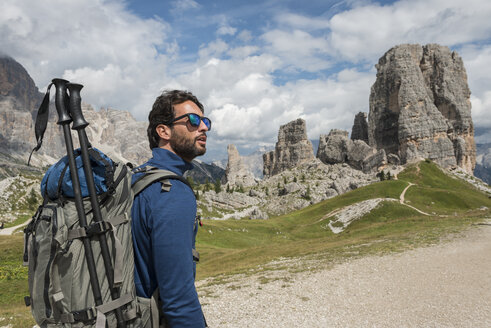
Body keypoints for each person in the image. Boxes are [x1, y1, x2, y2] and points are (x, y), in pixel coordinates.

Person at [131, 90, 211, 327]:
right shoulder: (171, 192)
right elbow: (178, 300)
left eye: (205, 121)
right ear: (163, 131)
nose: (203, 128)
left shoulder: (136, 177)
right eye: (193, 121)